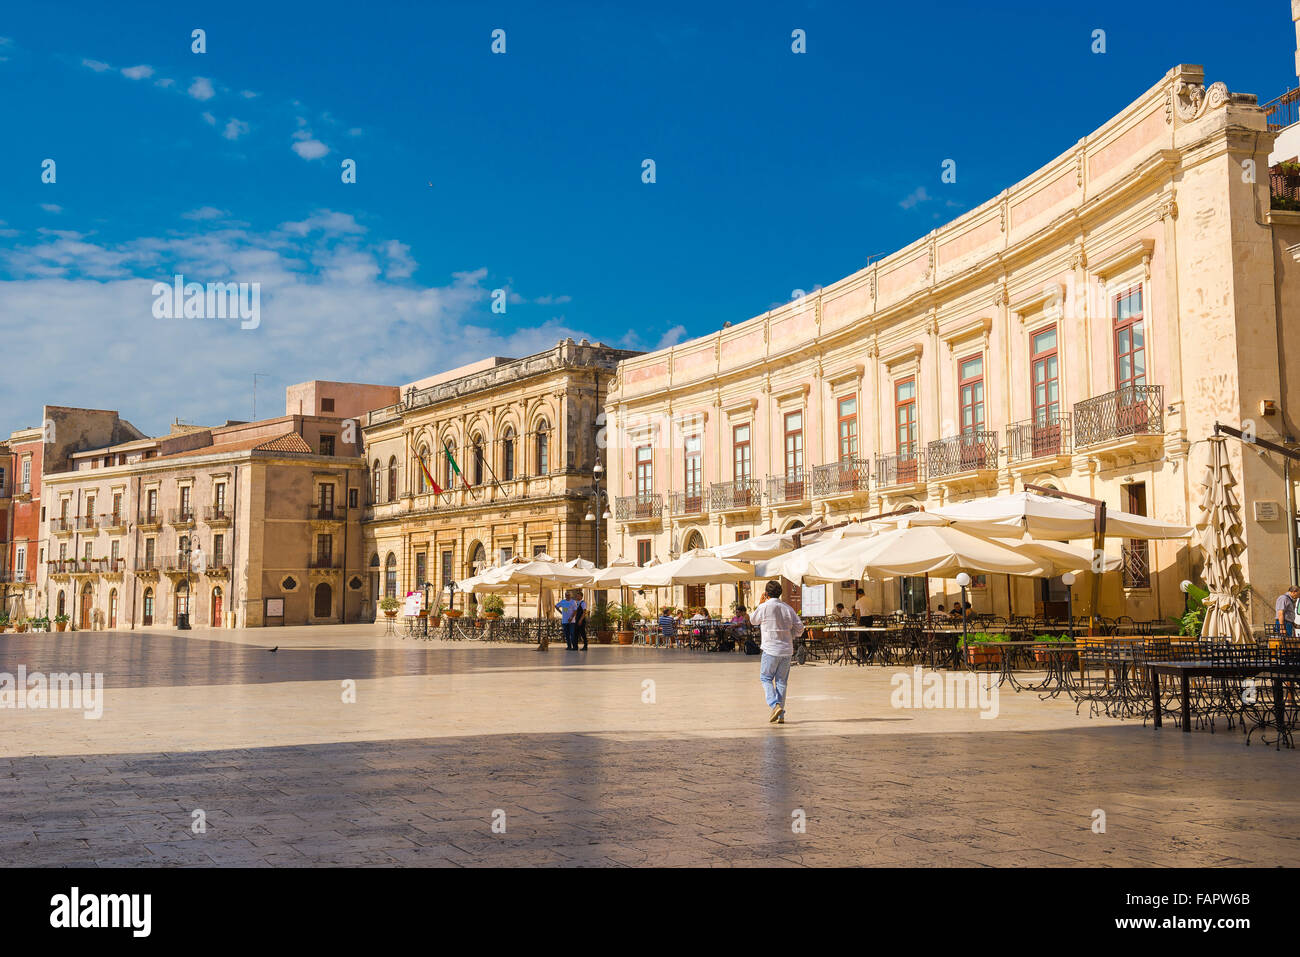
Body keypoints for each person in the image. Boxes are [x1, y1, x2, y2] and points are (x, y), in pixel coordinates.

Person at [750, 579, 805, 725]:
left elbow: (753, 620)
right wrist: (792, 634)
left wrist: (760, 604)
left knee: (766, 678)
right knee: (781, 682)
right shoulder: (787, 608)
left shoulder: (764, 607)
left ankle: (775, 705)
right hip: (786, 650)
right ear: (780, 593)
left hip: (770, 649)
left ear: (766, 593)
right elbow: (800, 628)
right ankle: (780, 715)